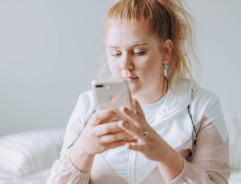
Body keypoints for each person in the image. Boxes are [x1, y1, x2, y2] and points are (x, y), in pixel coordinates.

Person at [48, 0, 230, 183]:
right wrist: (83, 149)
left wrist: (165, 155)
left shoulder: (202, 108)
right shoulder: (88, 106)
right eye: (116, 54)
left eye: (138, 52)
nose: (125, 65)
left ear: (166, 51)